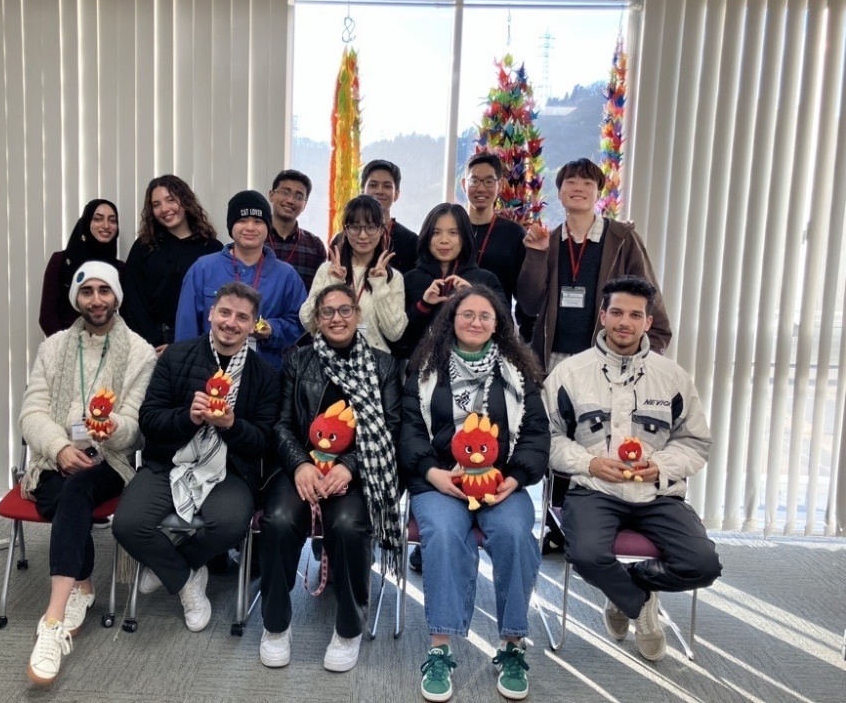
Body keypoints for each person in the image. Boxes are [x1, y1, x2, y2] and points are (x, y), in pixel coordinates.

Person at [544, 276, 721, 662]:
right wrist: (589, 463)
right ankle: (639, 604)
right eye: (617, 312)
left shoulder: (673, 377)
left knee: (703, 565)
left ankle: (628, 586)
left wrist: (659, 466)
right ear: (603, 316)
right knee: (585, 554)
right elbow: (548, 438)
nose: (625, 322)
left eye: (635, 315)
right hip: (595, 491)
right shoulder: (570, 374)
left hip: (658, 493)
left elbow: (695, 442)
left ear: (648, 321)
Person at [399, 285, 549, 702]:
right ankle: (440, 649)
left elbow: (537, 434)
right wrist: (431, 473)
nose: (475, 322)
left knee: (515, 534)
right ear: (452, 319)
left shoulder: (518, 374)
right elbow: (409, 430)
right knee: (445, 535)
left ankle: (512, 645)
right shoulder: (425, 369)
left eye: (485, 316)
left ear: (498, 324)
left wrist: (516, 478)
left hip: (501, 483)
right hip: (439, 481)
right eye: (467, 314)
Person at [112, 282, 280, 632]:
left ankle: (174, 564)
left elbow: (264, 442)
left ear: (254, 325)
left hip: (230, 471)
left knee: (230, 523)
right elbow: (149, 419)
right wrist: (187, 417)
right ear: (211, 315)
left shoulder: (265, 375)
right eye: (225, 313)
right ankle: (187, 580)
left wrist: (232, 425)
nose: (231, 323)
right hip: (169, 462)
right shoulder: (176, 356)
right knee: (127, 524)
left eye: (242, 317)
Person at [19, 262, 157, 684]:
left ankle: (53, 620)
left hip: (108, 461)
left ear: (116, 297)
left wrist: (113, 428)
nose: (96, 300)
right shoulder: (54, 347)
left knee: (75, 488)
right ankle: (81, 582)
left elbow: (135, 427)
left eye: (104, 290)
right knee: (67, 493)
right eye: (87, 291)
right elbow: (32, 413)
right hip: (55, 457)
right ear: (76, 299)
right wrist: (59, 448)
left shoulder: (140, 352)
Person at [258, 284, 403, 672]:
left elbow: (390, 428)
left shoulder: (384, 366)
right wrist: (299, 464)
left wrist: (349, 466)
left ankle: (348, 629)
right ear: (317, 320)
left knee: (348, 525)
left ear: (358, 314)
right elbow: (281, 424)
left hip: (358, 472)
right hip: (300, 468)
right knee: (279, 520)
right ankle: (275, 626)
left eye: (344, 310)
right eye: (327, 312)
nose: (337, 318)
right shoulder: (298, 360)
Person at [519, 158, 671, 373]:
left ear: (598, 194)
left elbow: (651, 301)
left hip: (607, 360)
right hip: (553, 359)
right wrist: (537, 253)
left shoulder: (622, 239)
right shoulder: (548, 242)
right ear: (559, 193)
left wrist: (641, 361)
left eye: (588, 183)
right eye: (571, 182)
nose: (578, 188)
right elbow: (530, 305)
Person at [175, 191, 308, 370]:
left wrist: (273, 329)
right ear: (231, 226)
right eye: (242, 220)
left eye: (258, 221)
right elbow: (186, 329)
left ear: (268, 226)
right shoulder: (203, 269)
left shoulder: (286, 275)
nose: (250, 227)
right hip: (209, 373)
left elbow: (300, 321)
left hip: (264, 374)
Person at [122, 175, 223, 355]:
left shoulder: (211, 248)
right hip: (148, 345)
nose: (164, 209)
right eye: (156, 204)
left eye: (170, 200)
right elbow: (132, 301)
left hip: (196, 345)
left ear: (185, 201)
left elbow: (216, 305)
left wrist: (183, 344)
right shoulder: (144, 247)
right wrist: (152, 344)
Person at [395, 203, 504, 359]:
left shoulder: (486, 279)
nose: (444, 240)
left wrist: (473, 297)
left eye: (453, 233)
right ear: (427, 237)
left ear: (464, 237)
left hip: (473, 368)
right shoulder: (410, 279)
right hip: (420, 368)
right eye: (436, 233)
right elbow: (398, 339)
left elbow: (505, 329)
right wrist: (423, 306)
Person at [300, 195, 407, 353]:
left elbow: (395, 333)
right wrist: (331, 285)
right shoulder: (328, 270)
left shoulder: (392, 277)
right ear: (345, 230)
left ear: (381, 230)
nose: (363, 235)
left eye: (370, 227)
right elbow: (308, 323)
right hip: (330, 359)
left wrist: (379, 286)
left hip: (373, 362)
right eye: (355, 227)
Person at [460, 151, 533, 340]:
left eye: (489, 181)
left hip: (497, 333)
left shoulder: (514, 234)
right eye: (474, 181)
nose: (481, 188)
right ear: (464, 184)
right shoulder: (451, 230)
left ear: (499, 185)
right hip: (452, 329)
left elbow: (524, 296)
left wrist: (525, 340)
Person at [39, 199, 125, 336]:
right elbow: (47, 317)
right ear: (86, 222)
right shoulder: (61, 261)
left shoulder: (119, 269)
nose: (106, 225)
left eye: (112, 220)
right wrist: (67, 345)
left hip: (107, 344)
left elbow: (126, 318)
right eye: (98, 219)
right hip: (65, 343)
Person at [267, 169, 327, 291]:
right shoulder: (255, 237)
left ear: (305, 204)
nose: (290, 200)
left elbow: (320, 292)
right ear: (271, 195)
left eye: (299, 197)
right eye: (285, 192)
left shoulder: (314, 246)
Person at [361, 159, 418, 274]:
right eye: (373, 185)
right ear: (362, 191)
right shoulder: (347, 237)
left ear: (396, 194)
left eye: (387, 186)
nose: (379, 191)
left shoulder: (411, 241)